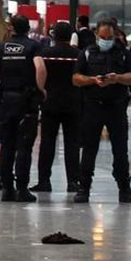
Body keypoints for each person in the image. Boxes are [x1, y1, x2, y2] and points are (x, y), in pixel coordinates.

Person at [73, 21, 131, 204]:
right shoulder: (86, 53)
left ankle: (124, 189)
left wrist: (117, 78)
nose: (106, 41)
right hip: (93, 106)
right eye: (103, 38)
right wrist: (92, 80)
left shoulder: (124, 54)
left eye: (110, 38)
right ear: (96, 35)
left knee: (120, 150)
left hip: (116, 107)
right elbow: (76, 78)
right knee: (89, 149)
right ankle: (83, 188)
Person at [0, 15, 45, 202]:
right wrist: (40, 89)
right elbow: (40, 68)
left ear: (11, 28)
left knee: (6, 146)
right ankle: (22, 189)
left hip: (6, 100)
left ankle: (7, 189)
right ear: (27, 29)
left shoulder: (0, 47)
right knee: (24, 146)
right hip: (26, 101)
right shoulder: (33, 46)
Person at [31, 22, 82, 193]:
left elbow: (39, 73)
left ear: (53, 36)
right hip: (73, 103)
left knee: (47, 143)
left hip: (50, 102)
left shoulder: (45, 53)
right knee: (72, 144)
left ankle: (44, 181)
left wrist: (42, 90)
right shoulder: (79, 54)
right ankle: (73, 181)